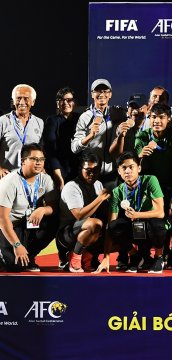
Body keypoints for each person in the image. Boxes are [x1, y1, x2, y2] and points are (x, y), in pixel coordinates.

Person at [96, 151, 167, 273]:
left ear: (139, 168)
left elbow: (160, 213)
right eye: (123, 168)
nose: (127, 171)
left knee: (158, 224)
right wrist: (106, 257)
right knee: (114, 226)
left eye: (131, 167)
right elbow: (111, 225)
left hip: (149, 227)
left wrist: (137, 215)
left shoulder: (150, 180)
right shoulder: (117, 192)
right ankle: (134, 255)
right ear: (119, 171)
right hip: (134, 229)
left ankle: (158, 258)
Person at [0, 144, 58, 272]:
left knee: (54, 221)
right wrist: (17, 245)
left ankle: (29, 256)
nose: (39, 163)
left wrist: (42, 210)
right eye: (34, 159)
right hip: (9, 226)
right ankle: (4, 254)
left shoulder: (46, 179)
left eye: (42, 160)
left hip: (27, 223)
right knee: (15, 267)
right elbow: (3, 219)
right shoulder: (9, 182)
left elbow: (53, 207)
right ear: (23, 161)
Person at [57, 152, 111, 272]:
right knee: (95, 224)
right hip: (67, 235)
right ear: (80, 169)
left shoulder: (98, 184)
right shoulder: (72, 186)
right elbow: (79, 215)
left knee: (115, 230)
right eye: (88, 170)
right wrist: (100, 198)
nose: (92, 173)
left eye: (96, 170)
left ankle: (88, 257)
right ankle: (74, 258)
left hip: (89, 233)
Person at [71, 79, 116, 184]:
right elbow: (74, 148)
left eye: (105, 91)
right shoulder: (85, 117)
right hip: (92, 175)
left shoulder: (116, 114)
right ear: (92, 94)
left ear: (110, 94)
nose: (102, 94)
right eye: (98, 91)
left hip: (112, 174)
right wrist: (90, 136)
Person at [0, 84, 44, 177]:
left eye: (26, 98)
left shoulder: (39, 122)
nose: (22, 102)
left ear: (33, 102)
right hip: (8, 176)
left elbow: (41, 150)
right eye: (18, 98)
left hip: (31, 176)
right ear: (13, 101)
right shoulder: (2, 121)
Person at [42, 87, 81, 190]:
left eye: (69, 100)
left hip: (79, 169)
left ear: (75, 103)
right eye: (62, 100)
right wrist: (58, 177)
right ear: (57, 104)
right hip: (60, 170)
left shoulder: (81, 119)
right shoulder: (52, 121)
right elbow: (50, 150)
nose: (65, 103)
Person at [110, 93, 150, 158]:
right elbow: (114, 154)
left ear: (147, 108)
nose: (134, 111)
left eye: (139, 107)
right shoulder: (120, 126)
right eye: (131, 107)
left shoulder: (152, 125)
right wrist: (120, 137)